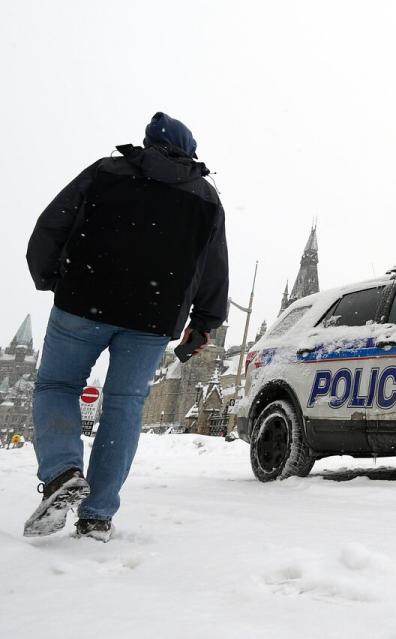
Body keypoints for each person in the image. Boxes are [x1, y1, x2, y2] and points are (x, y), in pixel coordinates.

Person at [23, 112, 228, 542]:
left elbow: (51, 224)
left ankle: (62, 472)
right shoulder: (206, 198)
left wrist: (52, 277)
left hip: (83, 301)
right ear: (191, 153)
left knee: (57, 387)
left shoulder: (107, 171)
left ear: (149, 143)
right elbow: (213, 269)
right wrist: (204, 322)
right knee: (124, 406)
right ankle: (97, 515)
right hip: (152, 319)